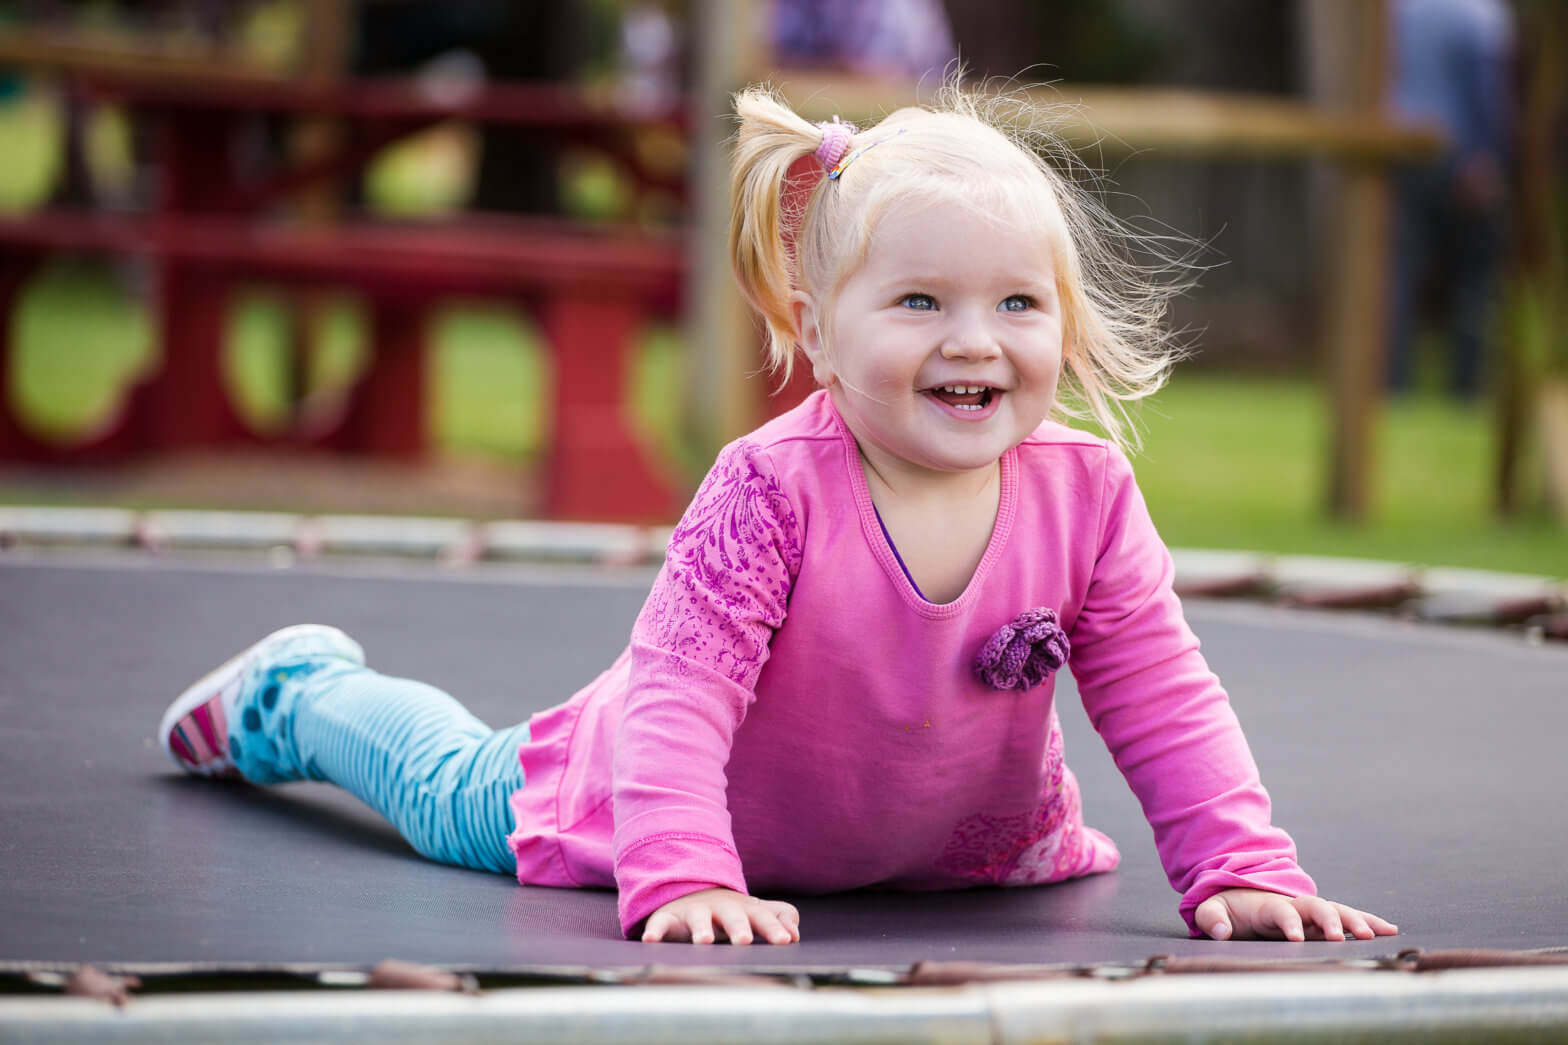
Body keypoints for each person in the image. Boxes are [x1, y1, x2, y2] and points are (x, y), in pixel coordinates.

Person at [158, 84, 1399, 947]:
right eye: (918, 300)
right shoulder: (770, 488)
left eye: (1017, 304)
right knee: (444, 787)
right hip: (646, 807)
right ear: (815, 329)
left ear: (1062, 327)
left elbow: (1160, 693)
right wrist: (686, 871)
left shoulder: (1085, 494)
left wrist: (1239, 868)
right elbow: (677, 693)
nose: (973, 339)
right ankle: (298, 692)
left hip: (947, 855)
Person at [1385, 0, 1514, 400]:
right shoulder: (1480, 14)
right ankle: (1466, 388)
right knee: (1473, 280)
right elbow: (1487, 90)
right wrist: (1488, 156)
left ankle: (1393, 386)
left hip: (1398, 151)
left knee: (1397, 277)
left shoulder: (1395, 11)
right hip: (1459, 155)